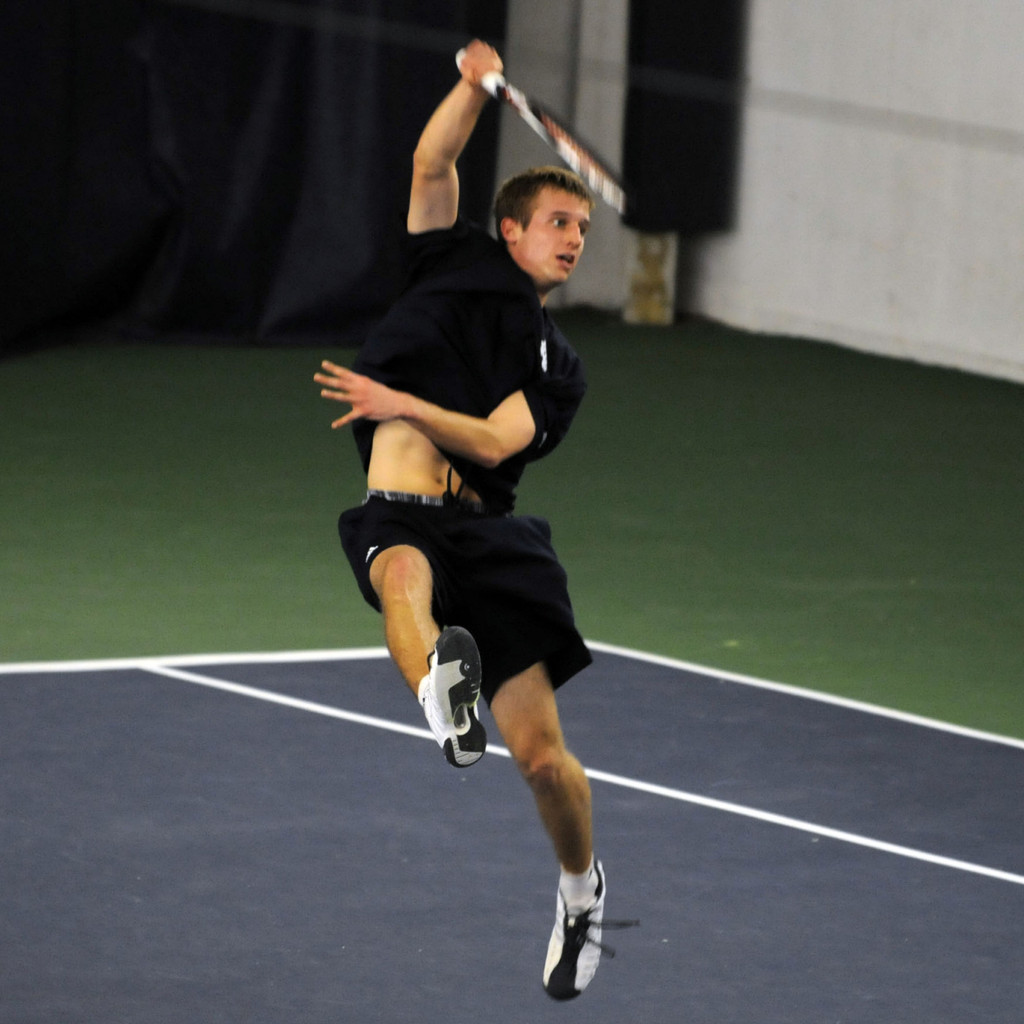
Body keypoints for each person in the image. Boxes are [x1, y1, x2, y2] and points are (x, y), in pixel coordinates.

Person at [314, 40, 613, 1000]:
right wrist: (472, 84)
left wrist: (391, 397)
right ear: (510, 230)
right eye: (559, 223)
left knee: (543, 761)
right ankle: (441, 693)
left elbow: (489, 443)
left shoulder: (557, 365)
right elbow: (431, 163)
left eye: (582, 229)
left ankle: (580, 889)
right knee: (399, 574)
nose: (573, 240)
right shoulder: (446, 262)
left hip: (493, 540)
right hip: (401, 509)